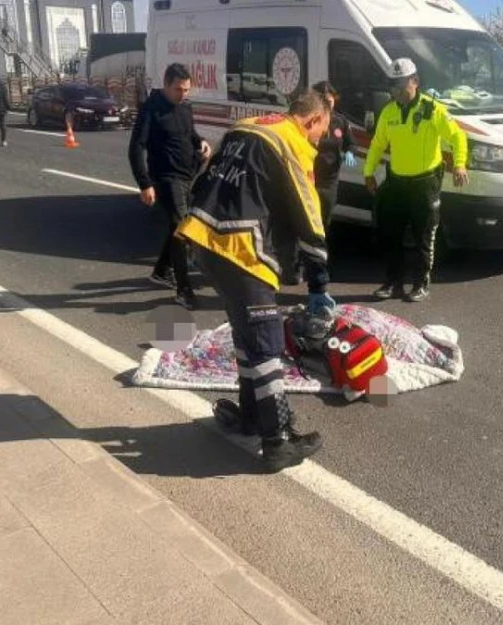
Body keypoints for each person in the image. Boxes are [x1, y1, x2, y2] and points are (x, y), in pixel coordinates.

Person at [175, 89, 334, 471]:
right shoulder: (291, 141)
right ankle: (277, 440)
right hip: (241, 248)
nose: (320, 140)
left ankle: (251, 417)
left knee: (247, 337)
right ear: (311, 120)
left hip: (204, 239)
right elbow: (309, 217)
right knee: (266, 342)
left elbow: (209, 176)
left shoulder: (247, 125)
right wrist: (319, 284)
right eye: (321, 131)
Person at [363, 58, 468, 303]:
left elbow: (457, 136)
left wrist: (460, 163)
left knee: (424, 237)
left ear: (415, 81)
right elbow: (378, 144)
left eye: (400, 84)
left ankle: (420, 284)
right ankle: (393, 283)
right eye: (392, 85)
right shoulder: (388, 111)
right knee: (390, 235)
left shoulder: (433, 109)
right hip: (397, 182)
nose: (396, 90)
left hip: (425, 183)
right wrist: (368, 172)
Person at [128, 63, 212, 310]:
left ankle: (162, 270)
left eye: (186, 89)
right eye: (178, 89)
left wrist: (201, 142)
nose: (183, 94)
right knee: (182, 229)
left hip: (188, 174)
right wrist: (145, 183)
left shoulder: (185, 107)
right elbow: (136, 148)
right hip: (165, 177)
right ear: (165, 85)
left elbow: (189, 134)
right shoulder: (151, 110)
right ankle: (183, 290)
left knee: (178, 227)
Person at [311, 81, 357, 231]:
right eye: (323, 101)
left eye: (330, 101)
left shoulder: (340, 121)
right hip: (310, 177)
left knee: (325, 219)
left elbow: (351, 143)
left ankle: (320, 249)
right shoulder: (310, 120)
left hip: (330, 181)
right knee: (308, 219)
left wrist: (350, 152)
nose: (327, 104)